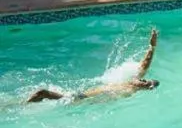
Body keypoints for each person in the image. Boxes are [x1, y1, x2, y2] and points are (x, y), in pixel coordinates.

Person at [27, 29, 160, 104]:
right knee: (42, 94)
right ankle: (23, 105)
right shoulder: (129, 82)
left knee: (43, 93)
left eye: (146, 82)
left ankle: (23, 107)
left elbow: (104, 101)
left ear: (146, 88)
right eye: (145, 79)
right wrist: (152, 46)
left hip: (80, 100)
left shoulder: (128, 91)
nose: (143, 80)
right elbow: (145, 64)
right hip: (81, 94)